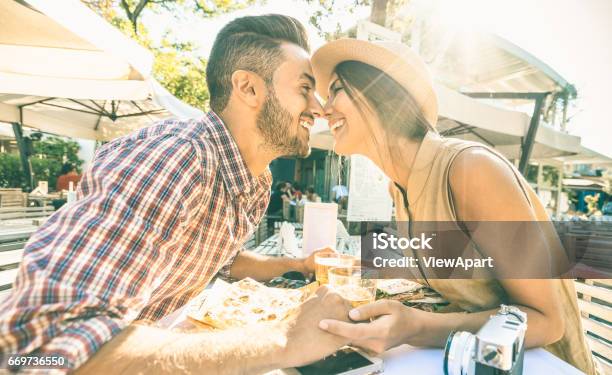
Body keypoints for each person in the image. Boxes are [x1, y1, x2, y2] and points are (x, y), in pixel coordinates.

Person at [0, 15, 351, 374]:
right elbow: (43, 349)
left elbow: (220, 260)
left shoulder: (252, 180)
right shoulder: (175, 160)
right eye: (305, 88)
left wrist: (298, 265)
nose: (319, 108)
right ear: (248, 88)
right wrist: (285, 339)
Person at [311, 39, 597, 374]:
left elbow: (547, 323)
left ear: (382, 96)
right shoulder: (398, 187)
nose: (323, 108)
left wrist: (416, 326)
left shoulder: (470, 170)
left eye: (336, 91)